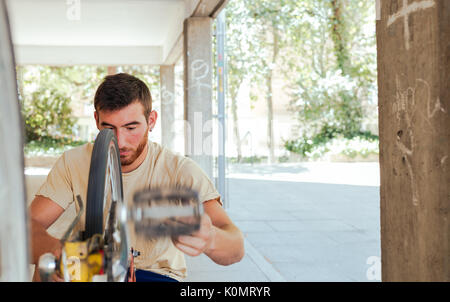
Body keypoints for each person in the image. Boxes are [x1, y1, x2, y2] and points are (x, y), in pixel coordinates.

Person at [29, 73, 244, 282]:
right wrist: (55, 251)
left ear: (151, 120)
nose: (120, 141)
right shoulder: (73, 162)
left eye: (131, 127)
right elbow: (25, 225)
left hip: (155, 272)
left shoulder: (180, 170)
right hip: (96, 263)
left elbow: (236, 247)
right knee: (44, 269)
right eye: (108, 128)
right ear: (96, 119)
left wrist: (210, 239)